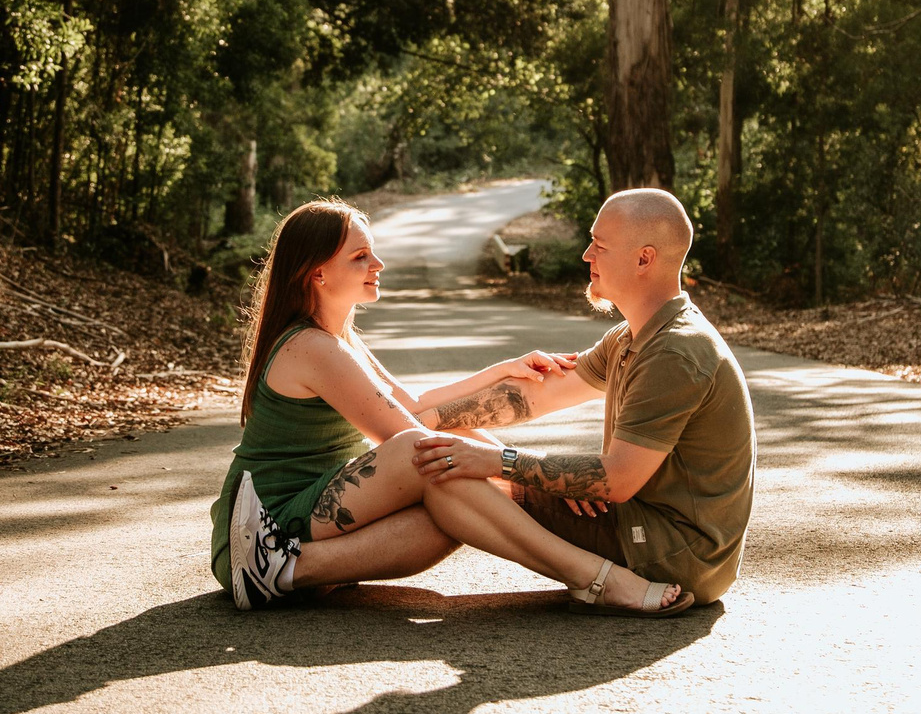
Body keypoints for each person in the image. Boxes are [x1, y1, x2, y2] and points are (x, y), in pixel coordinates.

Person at [215, 200, 691, 614]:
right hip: (261, 522)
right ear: (317, 273)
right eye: (360, 257)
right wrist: (534, 474)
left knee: (454, 513)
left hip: (295, 523)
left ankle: (294, 571)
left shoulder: (338, 340)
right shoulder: (313, 348)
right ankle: (594, 577)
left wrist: (501, 371)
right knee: (430, 457)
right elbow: (407, 435)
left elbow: (416, 406)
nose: (378, 263)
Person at [410, 187, 755, 611]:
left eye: (600, 246)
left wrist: (498, 462)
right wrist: (423, 419)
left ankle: (596, 580)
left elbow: (618, 480)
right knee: (447, 457)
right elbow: (531, 396)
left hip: (676, 554)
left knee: (446, 481)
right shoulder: (631, 336)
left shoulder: (675, 351)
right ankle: (322, 565)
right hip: (647, 527)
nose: (586, 255)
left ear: (643, 259)